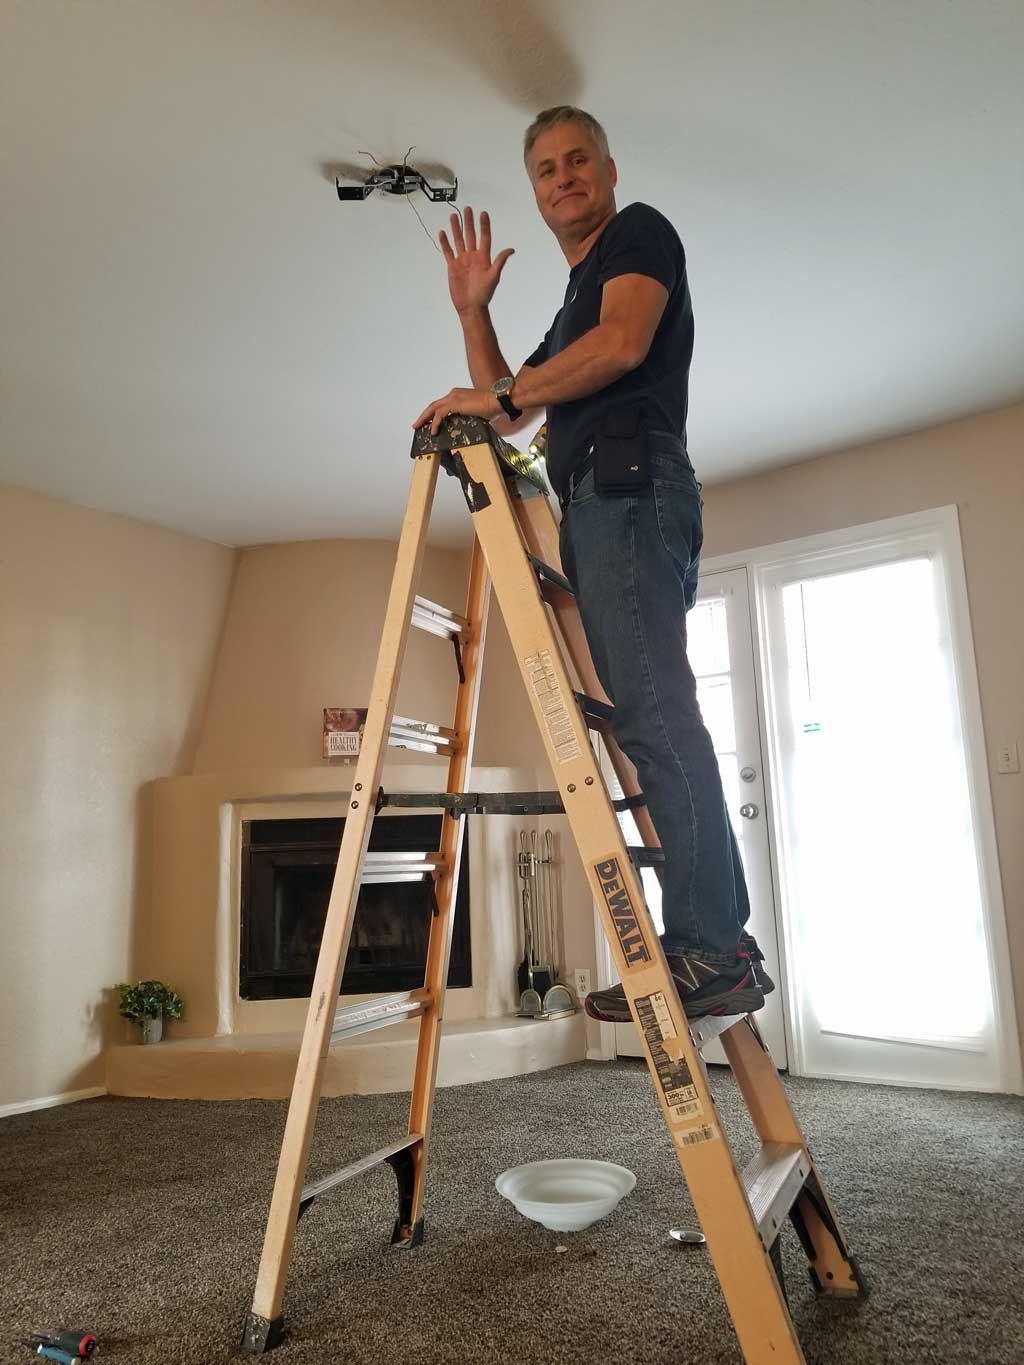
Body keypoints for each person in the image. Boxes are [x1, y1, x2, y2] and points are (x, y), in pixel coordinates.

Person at [414, 106, 771, 1020]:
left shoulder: (638, 234)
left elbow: (622, 347)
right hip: (602, 500)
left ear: (608, 171)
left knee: (654, 714)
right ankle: (718, 941)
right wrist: (472, 312)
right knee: (652, 715)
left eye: (577, 160)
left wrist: (490, 390)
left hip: (630, 484)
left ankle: (708, 950)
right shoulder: (574, 299)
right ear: (535, 194)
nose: (562, 176)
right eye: (544, 169)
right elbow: (512, 411)